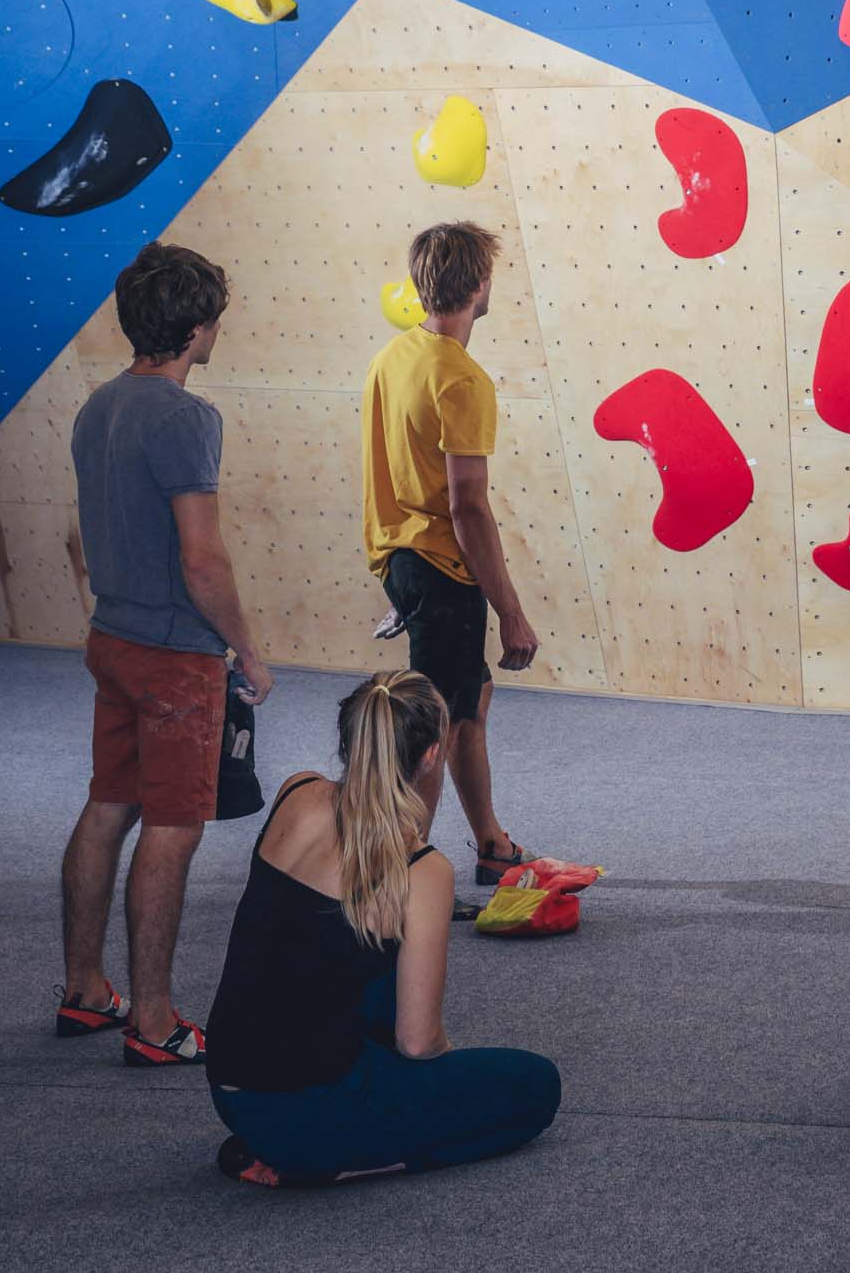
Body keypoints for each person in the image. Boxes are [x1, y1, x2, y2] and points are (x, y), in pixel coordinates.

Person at [207, 671, 561, 1186]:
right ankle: (330, 1163)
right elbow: (418, 1043)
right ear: (431, 755)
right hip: (306, 1119)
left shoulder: (296, 791)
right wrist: (439, 1075)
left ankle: (294, 1140)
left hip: (229, 1087)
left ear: (349, 737)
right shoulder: (421, 869)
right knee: (536, 1085)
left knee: (361, 953)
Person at [58, 243, 274, 1067]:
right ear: (196, 327)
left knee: (108, 806)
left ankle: (85, 989)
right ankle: (153, 1021)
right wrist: (247, 651)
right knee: (173, 829)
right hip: (175, 658)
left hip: (112, 638)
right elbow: (203, 561)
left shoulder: (98, 407)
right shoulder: (187, 418)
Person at [361, 221, 561, 918]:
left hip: (402, 557)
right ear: (478, 285)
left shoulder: (395, 356)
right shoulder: (461, 379)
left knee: (470, 702)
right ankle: (403, 876)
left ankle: (491, 844)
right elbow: (468, 506)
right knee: (435, 726)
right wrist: (511, 611)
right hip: (441, 565)